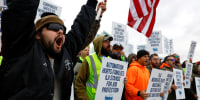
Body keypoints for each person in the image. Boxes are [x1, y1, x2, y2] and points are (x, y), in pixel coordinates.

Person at [0, 0, 107, 99]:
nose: (60, 31)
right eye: (54, 27)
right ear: (38, 34)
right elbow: (22, 11)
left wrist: (92, 3)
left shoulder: (66, 52)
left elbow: (80, 29)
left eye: (63, 30)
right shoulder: (22, 48)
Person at [75, 35, 113, 100]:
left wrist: (122, 81)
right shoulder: (89, 60)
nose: (108, 44)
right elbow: (79, 83)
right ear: (99, 44)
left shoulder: (111, 61)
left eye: (109, 41)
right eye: (106, 42)